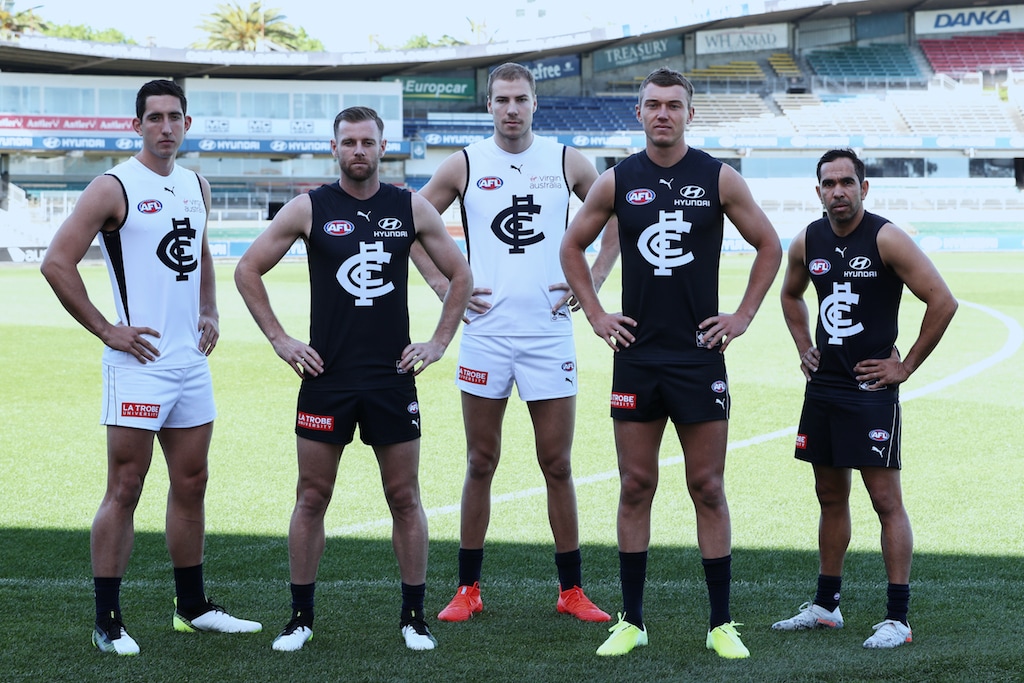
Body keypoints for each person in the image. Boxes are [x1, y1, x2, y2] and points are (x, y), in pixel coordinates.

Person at [560, 66, 782, 658]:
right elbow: (571, 247)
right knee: (636, 485)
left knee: (707, 486)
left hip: (698, 357)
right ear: (639, 112)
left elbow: (770, 245)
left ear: (689, 113)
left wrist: (742, 315)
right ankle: (631, 621)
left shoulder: (718, 177)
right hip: (636, 358)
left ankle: (721, 624)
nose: (663, 113)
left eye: (673, 105)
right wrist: (595, 313)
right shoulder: (617, 180)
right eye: (653, 105)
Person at [234, 106, 472, 653]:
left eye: (367, 141)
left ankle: (414, 617)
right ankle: (299, 618)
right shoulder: (309, 207)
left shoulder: (409, 207)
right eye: (349, 142)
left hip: (392, 378)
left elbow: (460, 274)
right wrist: (280, 339)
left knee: (404, 497)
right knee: (312, 496)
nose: (358, 150)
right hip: (327, 378)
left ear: (383, 147)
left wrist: (438, 342)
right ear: (334, 148)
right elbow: (248, 269)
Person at [40, 79, 262, 657]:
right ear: (136, 124)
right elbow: (57, 263)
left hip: (190, 363)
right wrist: (107, 329)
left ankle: (192, 608)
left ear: (187, 123)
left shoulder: (196, 185)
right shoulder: (113, 186)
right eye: (155, 117)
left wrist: (210, 309)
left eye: (175, 117)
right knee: (126, 486)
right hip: (137, 365)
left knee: (192, 482)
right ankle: (107, 621)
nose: (166, 127)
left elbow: (201, 253)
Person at [409, 62, 618, 624]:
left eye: (520, 99)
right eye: (501, 99)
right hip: (486, 335)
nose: (511, 109)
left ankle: (571, 590)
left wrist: (594, 279)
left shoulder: (566, 160)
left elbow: (616, 214)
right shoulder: (465, 163)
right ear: (489, 106)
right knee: (481, 461)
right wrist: (444, 288)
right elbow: (411, 224)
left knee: (557, 463)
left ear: (535, 103)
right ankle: (468, 588)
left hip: (548, 334)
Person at [773, 148, 957, 648]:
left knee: (884, 500)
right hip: (824, 388)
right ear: (818, 191)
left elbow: (943, 300)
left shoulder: (886, 237)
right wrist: (804, 345)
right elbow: (790, 294)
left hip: (872, 390)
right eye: (829, 184)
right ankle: (826, 606)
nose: (838, 191)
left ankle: (898, 619)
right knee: (830, 496)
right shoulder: (807, 240)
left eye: (847, 182)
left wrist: (905, 366)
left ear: (864, 187)